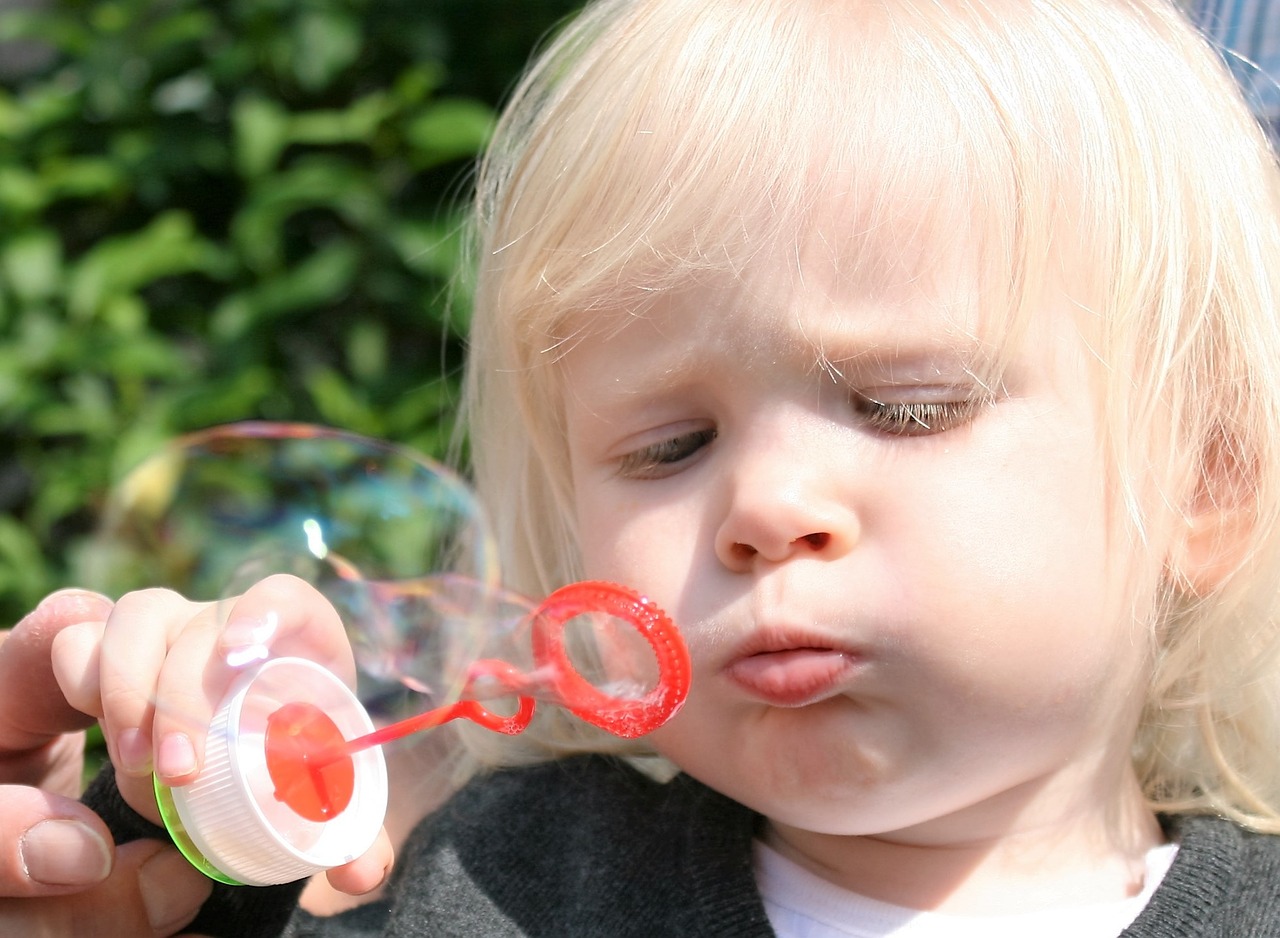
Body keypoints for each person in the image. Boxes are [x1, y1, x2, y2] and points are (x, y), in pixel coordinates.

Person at [6, 0, 1280, 934]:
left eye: (903, 408)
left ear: (1203, 479)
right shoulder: (487, 887)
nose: (765, 508)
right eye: (668, 446)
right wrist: (162, 820)